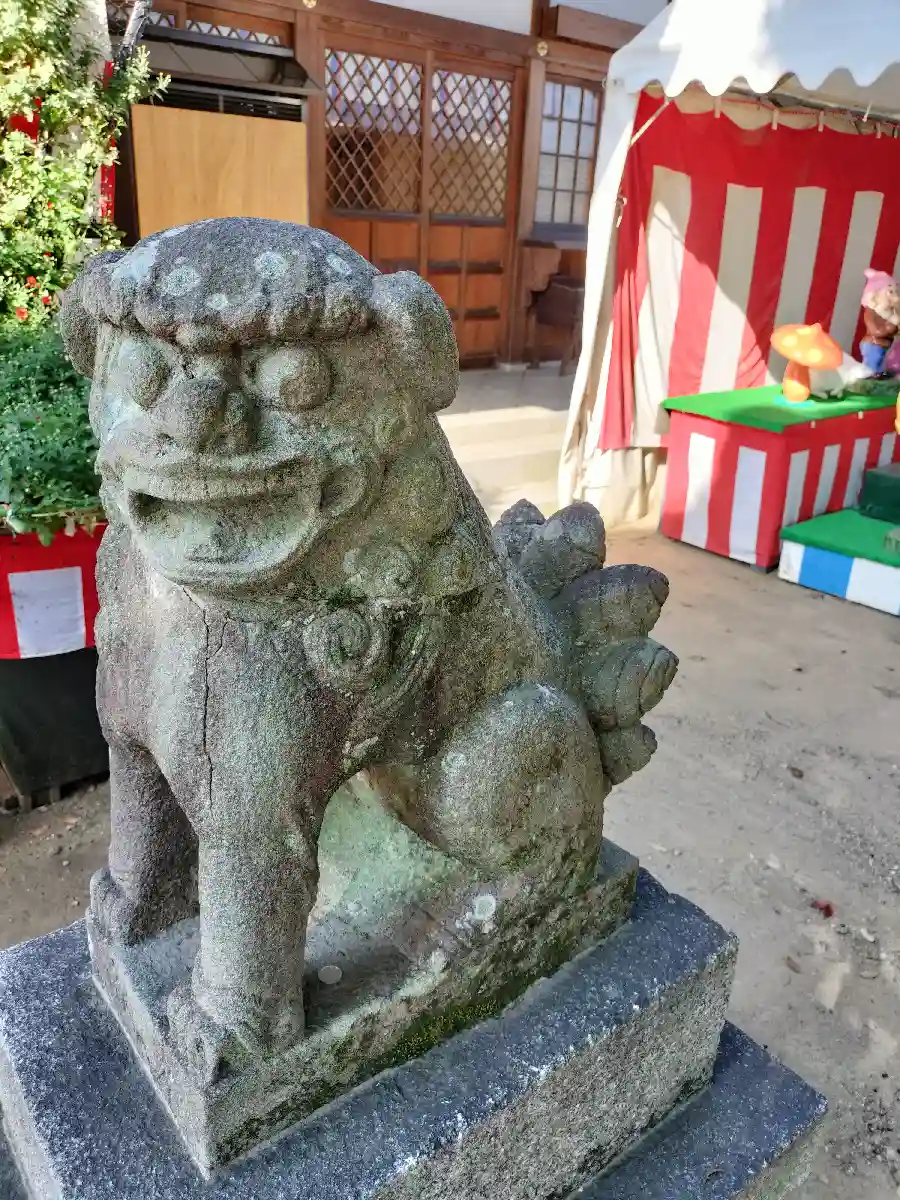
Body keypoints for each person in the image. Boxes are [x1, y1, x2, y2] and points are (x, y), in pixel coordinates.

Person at [859, 268, 900, 377]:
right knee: (871, 369)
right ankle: (867, 381)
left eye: (895, 291)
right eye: (890, 292)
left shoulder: (888, 313)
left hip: (884, 346)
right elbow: (876, 331)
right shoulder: (871, 312)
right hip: (873, 345)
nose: (894, 296)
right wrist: (891, 326)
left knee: (880, 369)